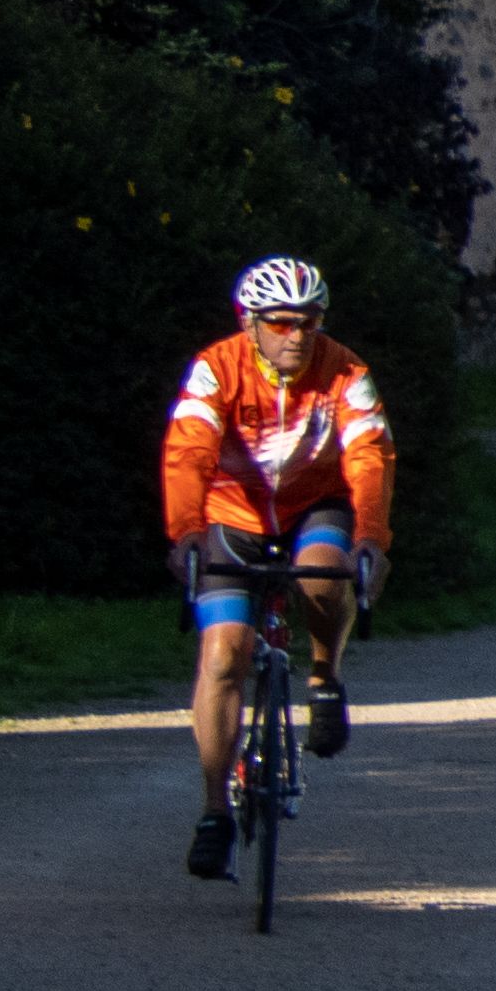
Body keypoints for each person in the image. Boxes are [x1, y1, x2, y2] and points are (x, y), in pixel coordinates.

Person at [161, 254, 396, 878]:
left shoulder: (346, 371)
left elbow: (369, 456)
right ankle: (215, 810)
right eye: (282, 322)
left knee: (324, 574)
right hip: (231, 516)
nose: (297, 335)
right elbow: (187, 453)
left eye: (309, 322)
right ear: (251, 323)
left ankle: (324, 677)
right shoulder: (217, 370)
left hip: (311, 507)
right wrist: (185, 531)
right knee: (222, 657)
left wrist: (372, 535)